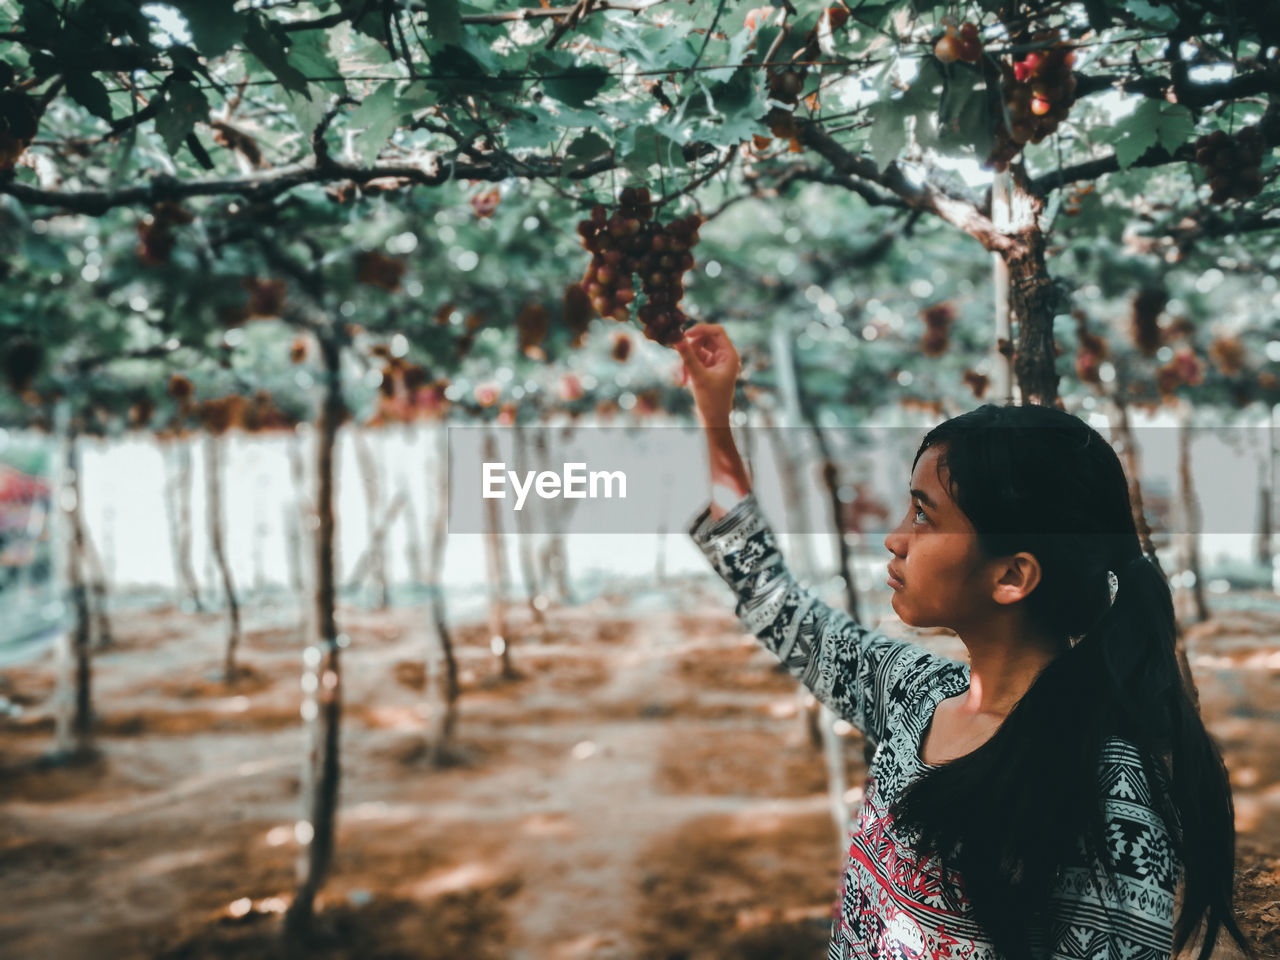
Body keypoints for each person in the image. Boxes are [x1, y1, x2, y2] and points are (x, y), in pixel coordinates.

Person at [673, 323, 1256, 960]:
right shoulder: (915, 694)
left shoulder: (1107, 801)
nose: (895, 538)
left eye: (925, 515)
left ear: (1012, 575)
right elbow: (777, 604)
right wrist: (713, 415)